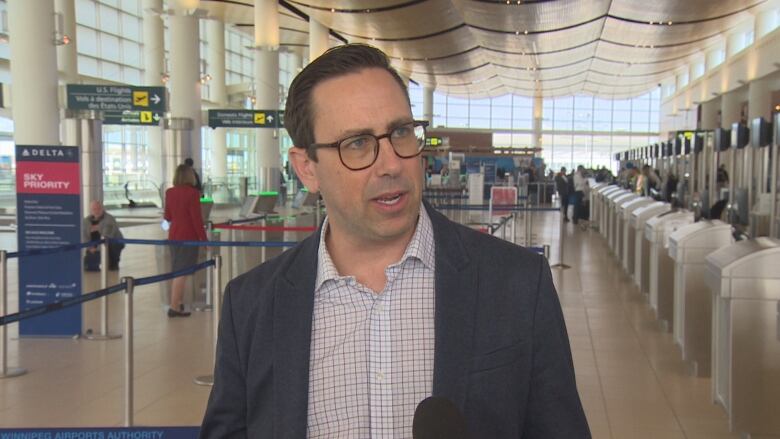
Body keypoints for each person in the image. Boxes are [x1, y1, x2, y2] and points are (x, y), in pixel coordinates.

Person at [200, 44, 589, 438]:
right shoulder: (251, 306)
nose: (390, 164)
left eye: (400, 132)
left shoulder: (517, 284)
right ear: (306, 168)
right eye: (356, 143)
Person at [163, 164, 208, 318]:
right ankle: (174, 306)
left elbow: (167, 217)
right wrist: (204, 240)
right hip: (188, 237)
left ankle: (178, 302)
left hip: (174, 236)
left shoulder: (169, 192)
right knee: (182, 273)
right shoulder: (192, 193)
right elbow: (196, 219)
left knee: (177, 270)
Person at [83, 200, 124, 271]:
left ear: (103, 208)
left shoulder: (109, 219)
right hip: (94, 245)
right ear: (91, 210)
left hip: (112, 243)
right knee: (89, 267)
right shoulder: (86, 221)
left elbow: (107, 236)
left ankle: (113, 263)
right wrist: (90, 247)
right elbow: (84, 236)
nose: (96, 211)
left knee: (111, 262)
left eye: (98, 208)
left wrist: (96, 249)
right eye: (94, 209)